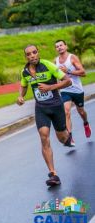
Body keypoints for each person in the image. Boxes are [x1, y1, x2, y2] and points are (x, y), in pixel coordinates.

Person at [17, 45, 74, 187]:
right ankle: (53, 174)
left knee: (62, 138)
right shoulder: (24, 72)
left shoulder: (48, 65)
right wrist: (20, 97)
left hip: (56, 107)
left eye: (34, 52)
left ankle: (68, 136)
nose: (32, 56)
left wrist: (50, 87)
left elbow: (68, 81)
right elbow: (24, 85)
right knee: (44, 136)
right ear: (26, 57)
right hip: (41, 108)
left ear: (38, 53)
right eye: (29, 54)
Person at [54, 39, 91, 144]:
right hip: (65, 90)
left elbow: (83, 73)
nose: (59, 47)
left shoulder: (72, 57)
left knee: (81, 112)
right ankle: (70, 137)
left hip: (77, 89)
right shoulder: (55, 61)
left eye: (61, 45)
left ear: (66, 46)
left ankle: (86, 123)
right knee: (66, 112)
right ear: (56, 49)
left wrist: (69, 71)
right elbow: (56, 75)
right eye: (57, 46)